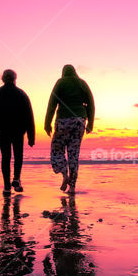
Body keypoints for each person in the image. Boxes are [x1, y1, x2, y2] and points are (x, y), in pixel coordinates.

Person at [0, 69, 35, 196]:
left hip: (1, 131)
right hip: (18, 130)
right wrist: (31, 137)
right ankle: (16, 179)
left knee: (6, 156)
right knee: (18, 155)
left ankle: (6, 187)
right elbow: (29, 117)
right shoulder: (21, 94)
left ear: (3, 79)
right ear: (15, 78)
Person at [44, 64, 94, 194]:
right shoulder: (82, 83)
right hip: (80, 121)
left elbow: (52, 104)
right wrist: (90, 123)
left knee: (57, 149)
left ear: (63, 73)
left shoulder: (60, 83)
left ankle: (64, 174)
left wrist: (47, 123)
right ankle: (72, 188)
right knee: (74, 154)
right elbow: (91, 103)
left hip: (63, 120)